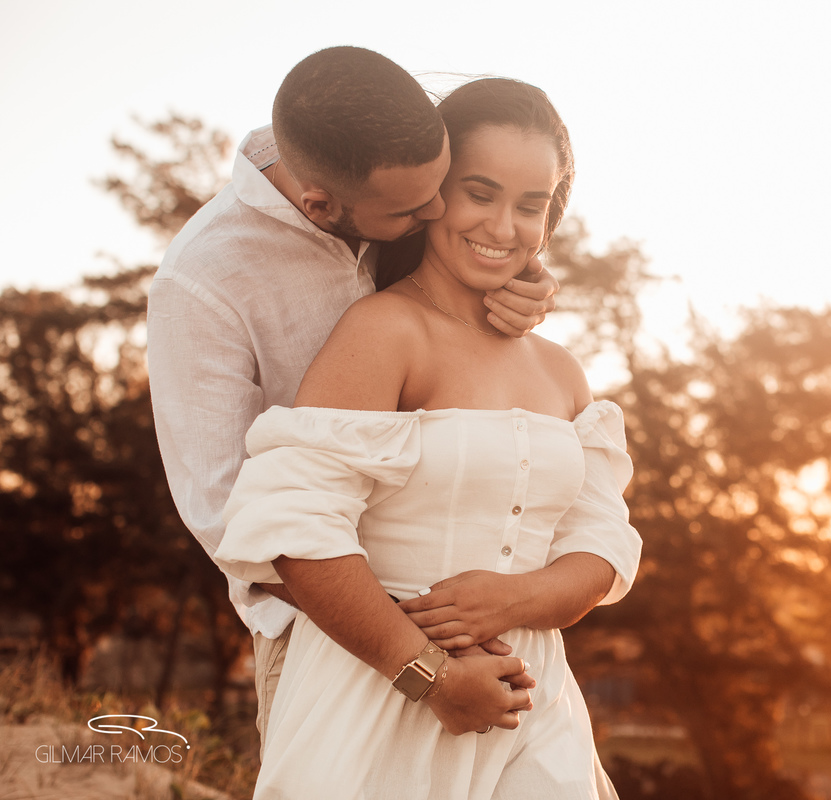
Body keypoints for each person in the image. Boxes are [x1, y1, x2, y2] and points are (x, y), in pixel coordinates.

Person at [147, 46, 629, 750]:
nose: (438, 209)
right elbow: (231, 516)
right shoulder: (204, 283)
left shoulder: (382, 166)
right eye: (419, 207)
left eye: (449, 186)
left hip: (498, 659)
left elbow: (481, 238)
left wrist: (526, 261)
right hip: (338, 635)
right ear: (323, 205)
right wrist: (427, 650)